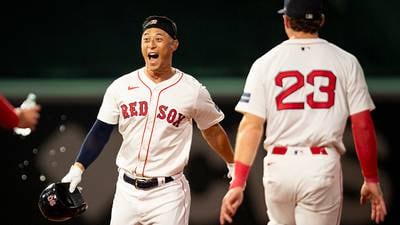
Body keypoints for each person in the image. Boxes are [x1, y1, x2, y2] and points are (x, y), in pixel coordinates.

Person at [219, 0, 387, 224]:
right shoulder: (346, 61)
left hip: (279, 166)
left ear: (286, 20)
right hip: (320, 166)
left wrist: (238, 182)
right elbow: (362, 123)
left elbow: (251, 125)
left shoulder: (265, 62)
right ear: (322, 21)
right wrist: (371, 178)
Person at [61, 15, 234, 225]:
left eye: (159, 38)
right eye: (146, 38)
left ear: (174, 45)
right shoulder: (121, 86)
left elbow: (212, 131)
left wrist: (233, 164)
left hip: (168, 193)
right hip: (126, 190)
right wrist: (78, 167)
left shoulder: (192, 90)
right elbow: (101, 130)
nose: (151, 43)